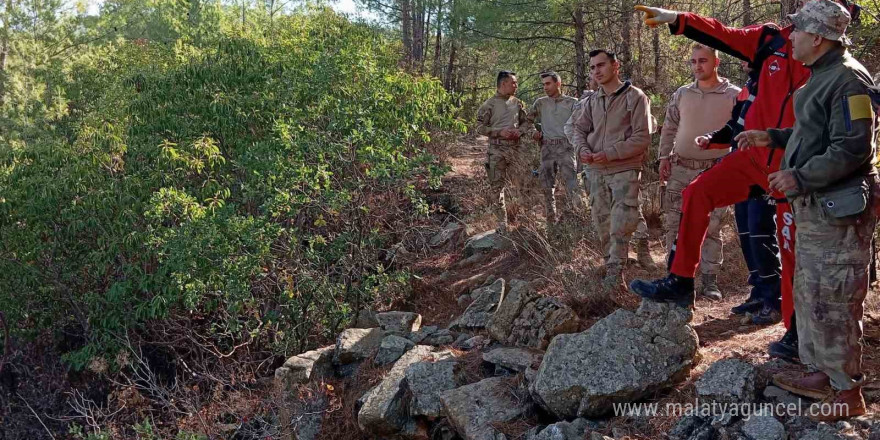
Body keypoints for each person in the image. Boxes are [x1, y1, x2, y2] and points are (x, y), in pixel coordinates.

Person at [628, 5, 813, 336]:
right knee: (696, 193)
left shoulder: (831, 59)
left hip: (793, 167)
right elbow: (723, 34)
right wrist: (678, 20)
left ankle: (797, 333)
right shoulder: (771, 40)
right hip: (752, 159)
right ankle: (681, 282)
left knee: (792, 252)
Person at [737, 0, 876, 421]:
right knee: (812, 293)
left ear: (817, 37)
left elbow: (853, 148)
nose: (789, 37)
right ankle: (822, 372)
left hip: (839, 211)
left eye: (796, 31)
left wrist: (799, 177)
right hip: (819, 209)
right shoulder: (823, 76)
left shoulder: (849, 80)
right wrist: (773, 137)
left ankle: (847, 391)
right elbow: (813, 131)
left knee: (834, 298)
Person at [659, 43, 741, 301]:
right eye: (693, 62)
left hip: (716, 170)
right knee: (675, 224)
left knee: (712, 226)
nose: (697, 66)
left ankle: (709, 280)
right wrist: (663, 157)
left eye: (703, 61)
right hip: (681, 168)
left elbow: (741, 132)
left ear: (716, 62)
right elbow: (669, 126)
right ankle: (676, 278)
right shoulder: (682, 94)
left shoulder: (734, 95)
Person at [569, 49, 653, 290]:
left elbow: (642, 137)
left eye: (601, 65)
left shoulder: (635, 97)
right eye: (593, 67)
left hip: (624, 169)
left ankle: (616, 272)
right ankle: (610, 266)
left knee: (622, 221)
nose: (597, 71)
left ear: (615, 65)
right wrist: (583, 149)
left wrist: (609, 153)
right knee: (601, 220)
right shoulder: (594, 100)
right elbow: (579, 130)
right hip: (595, 170)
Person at [476, 71, 531, 230]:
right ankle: (502, 226)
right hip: (497, 150)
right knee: (497, 188)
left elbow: (526, 123)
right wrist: (498, 132)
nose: (516, 85)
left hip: (516, 150)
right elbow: (479, 127)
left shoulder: (517, 103)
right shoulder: (489, 104)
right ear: (503, 84)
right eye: (513, 82)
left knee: (523, 185)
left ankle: (525, 223)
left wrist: (519, 131)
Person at [527, 71, 583, 223]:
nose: (545, 87)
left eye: (548, 83)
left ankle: (577, 218)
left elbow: (582, 124)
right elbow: (527, 120)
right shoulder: (540, 103)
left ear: (558, 84)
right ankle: (551, 220)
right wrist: (533, 132)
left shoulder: (572, 102)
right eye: (543, 84)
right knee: (547, 185)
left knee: (572, 184)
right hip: (547, 147)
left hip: (566, 147)